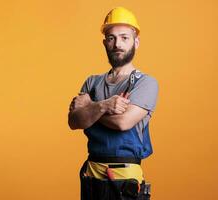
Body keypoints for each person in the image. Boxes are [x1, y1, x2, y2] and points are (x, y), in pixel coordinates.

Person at [68, 7, 159, 200]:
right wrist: (105, 106)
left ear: (136, 42)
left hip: (125, 178)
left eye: (124, 37)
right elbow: (74, 121)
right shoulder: (92, 82)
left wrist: (90, 108)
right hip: (92, 174)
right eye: (111, 38)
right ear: (104, 43)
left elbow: (123, 122)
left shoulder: (146, 83)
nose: (117, 44)